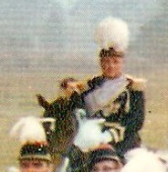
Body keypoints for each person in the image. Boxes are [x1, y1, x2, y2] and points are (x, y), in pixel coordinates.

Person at [60, 18, 147, 155]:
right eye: (106, 61)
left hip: (121, 144)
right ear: (100, 62)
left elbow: (136, 120)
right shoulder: (91, 85)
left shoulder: (132, 87)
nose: (110, 66)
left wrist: (110, 136)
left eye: (115, 61)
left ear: (122, 62)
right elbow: (77, 108)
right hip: (88, 142)